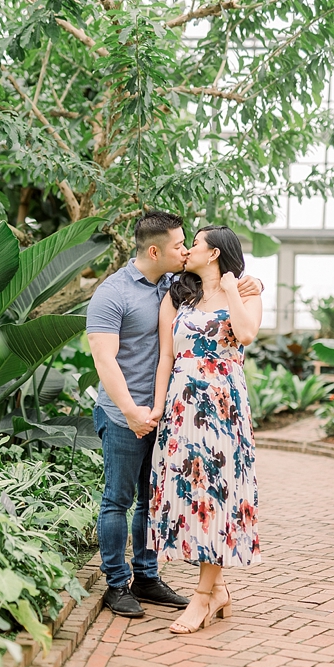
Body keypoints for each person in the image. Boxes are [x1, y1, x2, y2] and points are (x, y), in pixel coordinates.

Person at [86, 211, 261, 619]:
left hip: (173, 415)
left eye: (189, 244)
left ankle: (147, 578)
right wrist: (132, 411)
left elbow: (230, 304)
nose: (184, 251)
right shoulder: (112, 294)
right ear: (154, 250)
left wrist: (246, 284)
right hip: (125, 412)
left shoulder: (174, 284)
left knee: (152, 500)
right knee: (118, 499)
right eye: (179, 246)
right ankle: (116, 584)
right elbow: (104, 360)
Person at [148, 225, 262, 634]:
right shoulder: (177, 296)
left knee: (216, 494)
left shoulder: (246, 293)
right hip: (182, 405)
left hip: (224, 408)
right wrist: (160, 406)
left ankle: (201, 597)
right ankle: (219, 591)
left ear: (214, 254)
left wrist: (233, 287)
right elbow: (166, 355)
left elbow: (246, 333)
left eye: (194, 243)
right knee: (192, 494)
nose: (188, 250)